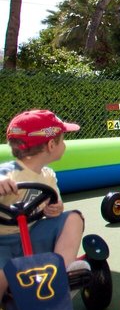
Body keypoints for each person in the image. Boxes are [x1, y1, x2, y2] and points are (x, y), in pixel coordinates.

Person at [0, 110, 87, 295]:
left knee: (73, 218)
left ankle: (60, 273)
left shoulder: (48, 176)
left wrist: (56, 209)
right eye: (62, 140)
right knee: (1, 277)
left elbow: (56, 204)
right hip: (2, 242)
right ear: (51, 145)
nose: (64, 144)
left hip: (32, 234)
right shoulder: (7, 173)